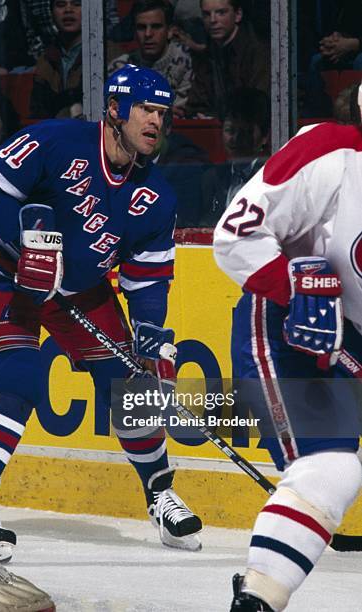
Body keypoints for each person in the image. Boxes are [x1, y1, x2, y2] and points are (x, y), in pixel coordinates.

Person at [0, 64, 202, 562]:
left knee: (130, 381)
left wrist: (151, 328)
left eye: (162, 112)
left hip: (80, 290)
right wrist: (27, 242)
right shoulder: (54, 140)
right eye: (146, 110)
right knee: (17, 378)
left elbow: (147, 277)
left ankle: (159, 492)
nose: (156, 121)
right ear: (114, 109)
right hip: (8, 276)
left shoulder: (156, 196)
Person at [213, 85, 362, 610]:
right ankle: (257, 600)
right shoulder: (333, 151)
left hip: (356, 347)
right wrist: (296, 287)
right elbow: (234, 237)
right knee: (333, 467)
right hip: (288, 330)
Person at [196, 87, 270, 227]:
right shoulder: (211, 177)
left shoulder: (270, 177)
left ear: (265, 136)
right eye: (230, 130)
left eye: (245, 132)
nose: (236, 139)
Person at [184, 0, 270, 120]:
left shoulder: (257, 52)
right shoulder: (207, 54)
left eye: (221, 12)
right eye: (206, 14)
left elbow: (257, 104)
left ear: (238, 15)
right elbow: (196, 103)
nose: (213, 20)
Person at [108, 0, 194, 114]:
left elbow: (180, 113)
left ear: (169, 31)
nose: (148, 34)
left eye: (156, 27)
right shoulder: (120, 68)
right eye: (141, 27)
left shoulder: (187, 61)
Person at [29, 0, 83, 119]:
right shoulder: (44, 60)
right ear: (51, 13)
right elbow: (38, 113)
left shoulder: (109, 53)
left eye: (76, 4)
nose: (68, 10)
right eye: (61, 5)